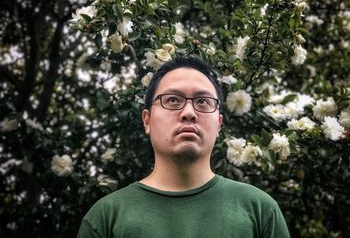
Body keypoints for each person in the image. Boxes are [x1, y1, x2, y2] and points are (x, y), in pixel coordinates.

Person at [77, 56, 290, 238]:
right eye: (172, 100)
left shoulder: (260, 210)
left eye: (203, 102)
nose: (189, 112)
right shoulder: (106, 217)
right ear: (147, 120)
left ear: (219, 124)